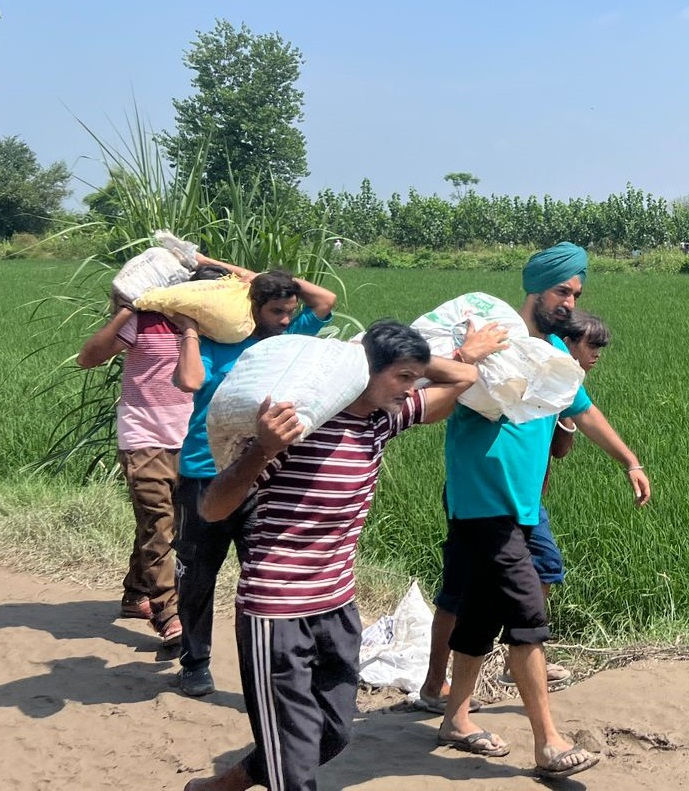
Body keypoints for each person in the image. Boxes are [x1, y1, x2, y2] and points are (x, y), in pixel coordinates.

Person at [181, 319, 495, 791]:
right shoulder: (298, 426)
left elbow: (463, 380)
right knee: (293, 756)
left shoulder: (384, 417)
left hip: (337, 606)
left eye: (414, 379)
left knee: (332, 732)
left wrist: (408, 356)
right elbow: (212, 507)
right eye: (402, 378)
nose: (411, 388)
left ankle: (218, 787)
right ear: (366, 372)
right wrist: (263, 450)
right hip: (277, 609)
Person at [417, 242, 648, 780]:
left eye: (575, 294)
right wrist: (468, 359)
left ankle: (455, 719)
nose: (569, 302)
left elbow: (585, 414)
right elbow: (439, 397)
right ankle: (548, 742)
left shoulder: (546, 361)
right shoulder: (497, 346)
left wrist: (630, 462)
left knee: (480, 615)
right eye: (561, 291)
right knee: (526, 616)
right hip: (483, 501)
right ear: (536, 289)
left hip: (521, 507)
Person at [171, 265, 338, 698]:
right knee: (197, 574)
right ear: (255, 310)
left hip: (263, 478)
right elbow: (188, 381)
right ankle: (195, 662)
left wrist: (255, 275)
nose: (286, 319)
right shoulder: (217, 345)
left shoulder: (288, 342)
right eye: (277, 310)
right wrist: (189, 329)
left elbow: (326, 302)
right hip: (203, 472)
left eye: (289, 311)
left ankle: (265, 666)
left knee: (260, 577)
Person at [75, 261, 229, 645]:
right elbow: (88, 357)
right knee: (158, 520)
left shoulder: (217, 330)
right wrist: (131, 306)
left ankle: (136, 593)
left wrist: (207, 263)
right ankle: (168, 612)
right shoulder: (144, 321)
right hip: (143, 435)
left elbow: (263, 286)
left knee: (164, 521)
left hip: (191, 439)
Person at [509, 309, 615, 689]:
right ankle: (515, 660)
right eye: (592, 345)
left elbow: (561, 450)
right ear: (566, 344)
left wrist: (564, 414)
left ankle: (522, 655)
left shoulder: (562, 384)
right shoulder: (533, 373)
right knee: (473, 589)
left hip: (530, 500)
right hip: (503, 497)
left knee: (545, 569)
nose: (598, 353)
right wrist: (630, 463)